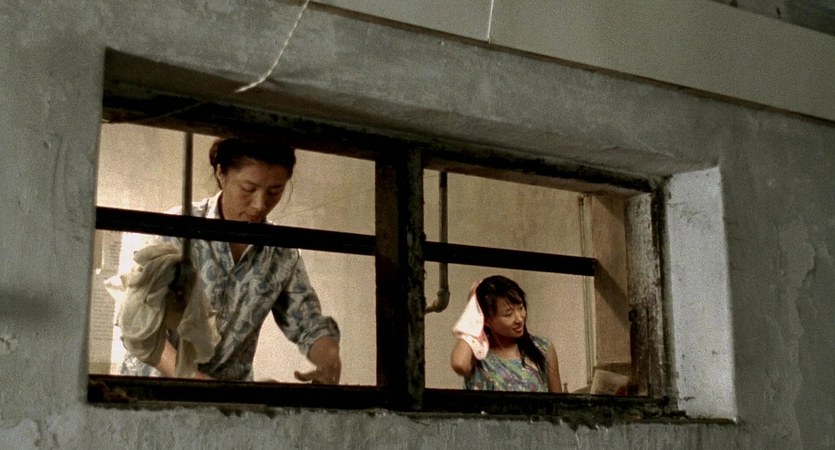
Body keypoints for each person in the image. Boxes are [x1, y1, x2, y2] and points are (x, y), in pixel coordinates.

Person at [118, 137, 341, 384]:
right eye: (248, 189)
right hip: (154, 390)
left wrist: (329, 361)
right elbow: (137, 324)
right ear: (221, 173)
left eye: (274, 191)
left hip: (227, 397)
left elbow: (308, 324)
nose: (259, 205)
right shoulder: (177, 230)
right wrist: (192, 378)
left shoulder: (281, 253)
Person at [450, 275, 561, 392]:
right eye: (508, 314)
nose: (519, 319)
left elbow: (558, 400)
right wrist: (472, 311)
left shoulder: (543, 348)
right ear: (486, 320)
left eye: (521, 308)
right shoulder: (478, 352)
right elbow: (460, 364)